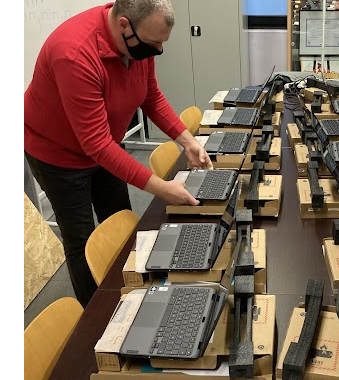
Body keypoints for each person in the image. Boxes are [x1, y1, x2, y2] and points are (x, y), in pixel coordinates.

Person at [24, 0, 211, 307]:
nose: (159, 51)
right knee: (82, 240)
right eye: (153, 43)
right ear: (124, 25)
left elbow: (150, 96)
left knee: (120, 220)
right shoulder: (74, 54)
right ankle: (96, 313)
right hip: (59, 156)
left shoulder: (137, 42)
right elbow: (95, 145)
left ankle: (132, 293)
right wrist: (162, 188)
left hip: (107, 142)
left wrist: (186, 140)